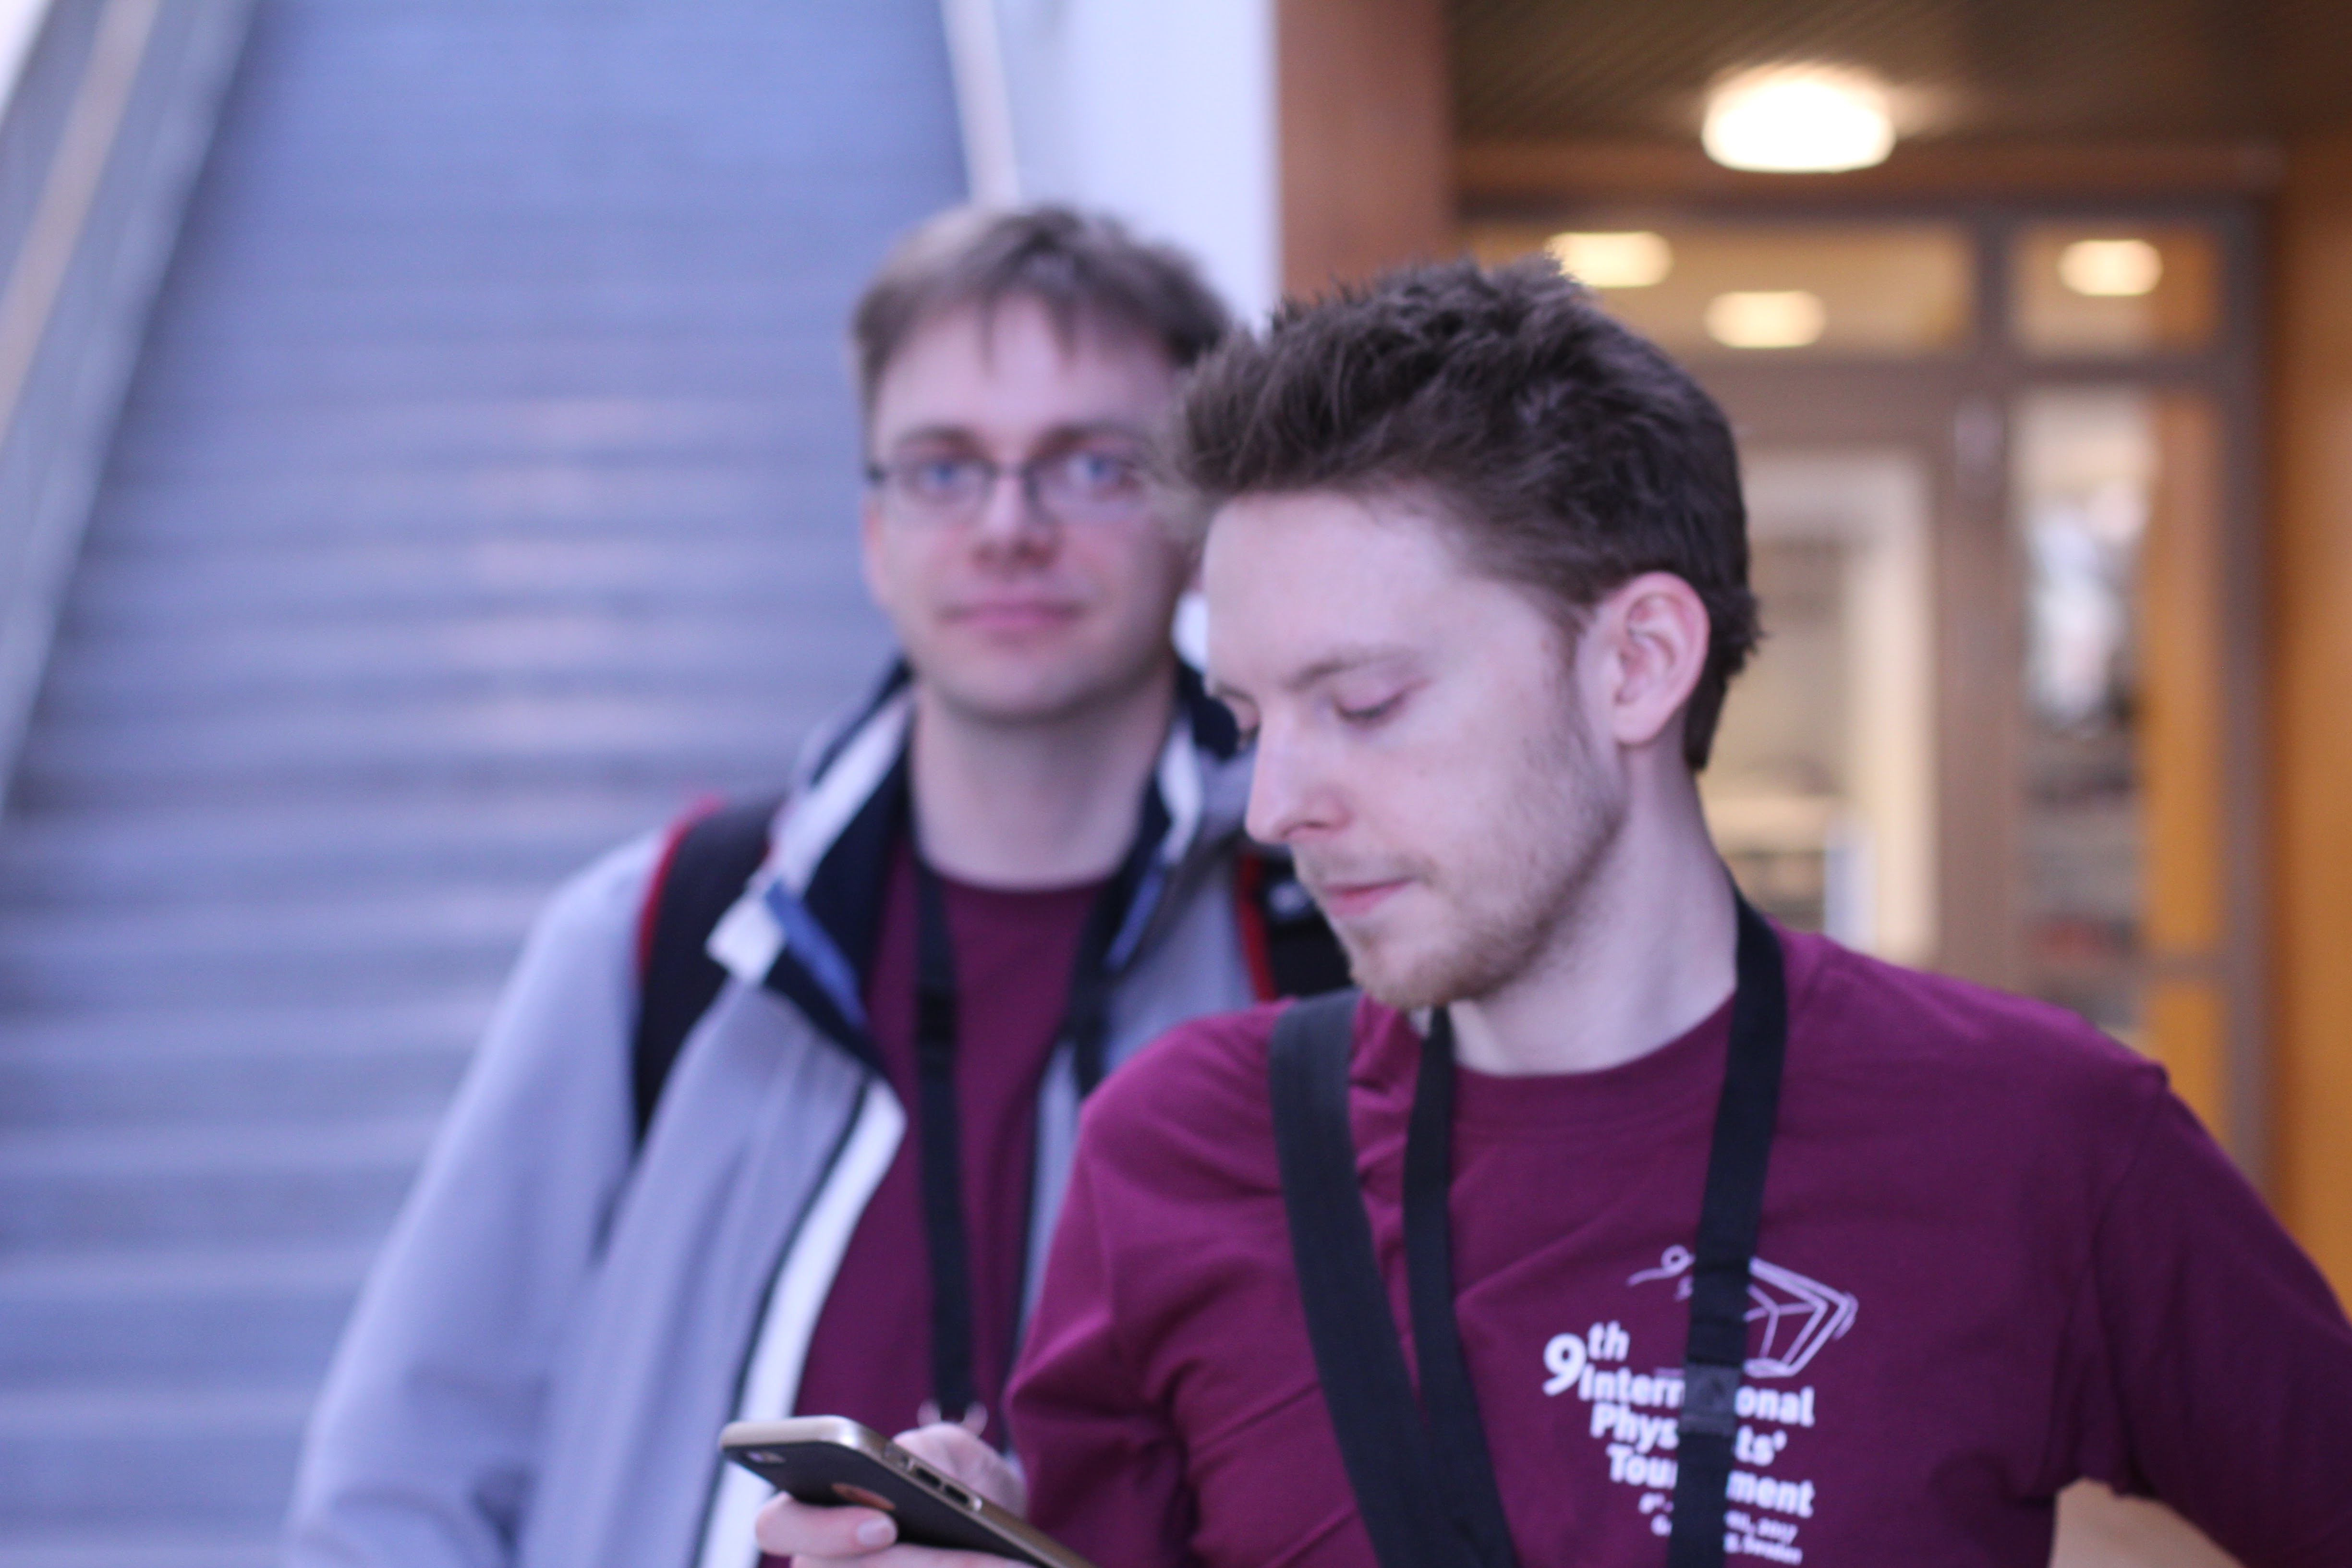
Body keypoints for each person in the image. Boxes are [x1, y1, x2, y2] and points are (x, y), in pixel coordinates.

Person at [760, 260, 2352, 1568]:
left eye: (1363, 702)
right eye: (1248, 718)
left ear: (1636, 664)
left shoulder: (2041, 1138)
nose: (1272, 805)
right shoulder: (1175, 1150)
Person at [283, 206, 1342, 1568]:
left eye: (1090, 464)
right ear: (873, 533)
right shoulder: (663, 939)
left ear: (1193, 529)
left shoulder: (1332, 953)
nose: (1008, 527)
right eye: (945, 468)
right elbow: (399, 1488)